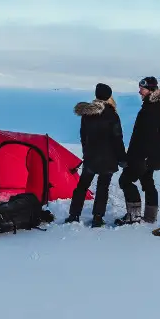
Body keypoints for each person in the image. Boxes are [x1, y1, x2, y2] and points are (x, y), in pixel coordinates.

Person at [65, 83, 127, 227]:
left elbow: (83, 136)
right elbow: (117, 139)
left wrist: (86, 152)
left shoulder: (87, 114)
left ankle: (74, 215)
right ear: (109, 97)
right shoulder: (112, 115)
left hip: (91, 157)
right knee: (102, 187)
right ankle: (97, 218)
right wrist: (122, 158)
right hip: (108, 158)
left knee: (82, 186)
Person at [115, 76, 160, 225]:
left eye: (142, 88)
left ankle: (134, 216)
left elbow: (147, 137)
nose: (139, 91)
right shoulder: (158, 107)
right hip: (151, 156)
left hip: (142, 156)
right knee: (148, 183)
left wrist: (140, 158)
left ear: (150, 90)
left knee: (125, 181)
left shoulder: (152, 109)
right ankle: (150, 216)